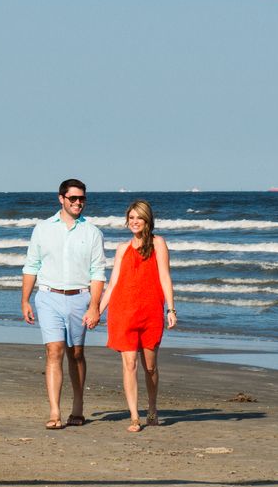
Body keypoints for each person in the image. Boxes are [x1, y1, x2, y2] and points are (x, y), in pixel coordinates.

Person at [19, 179, 106, 429]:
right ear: (61, 199)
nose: (78, 203)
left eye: (82, 198)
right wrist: (25, 300)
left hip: (80, 297)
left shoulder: (92, 232)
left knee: (75, 354)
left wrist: (94, 306)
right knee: (53, 351)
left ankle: (77, 406)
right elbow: (31, 265)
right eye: (73, 198)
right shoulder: (42, 229)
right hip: (48, 296)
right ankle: (55, 412)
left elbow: (97, 273)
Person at [98, 199, 176, 432]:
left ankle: (152, 408)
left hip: (150, 311)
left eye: (139, 218)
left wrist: (171, 309)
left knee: (150, 367)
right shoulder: (122, 249)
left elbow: (165, 277)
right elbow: (113, 284)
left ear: (147, 220)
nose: (134, 222)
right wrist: (97, 311)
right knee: (129, 364)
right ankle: (134, 416)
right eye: (131, 218)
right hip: (123, 312)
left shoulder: (158, 243)